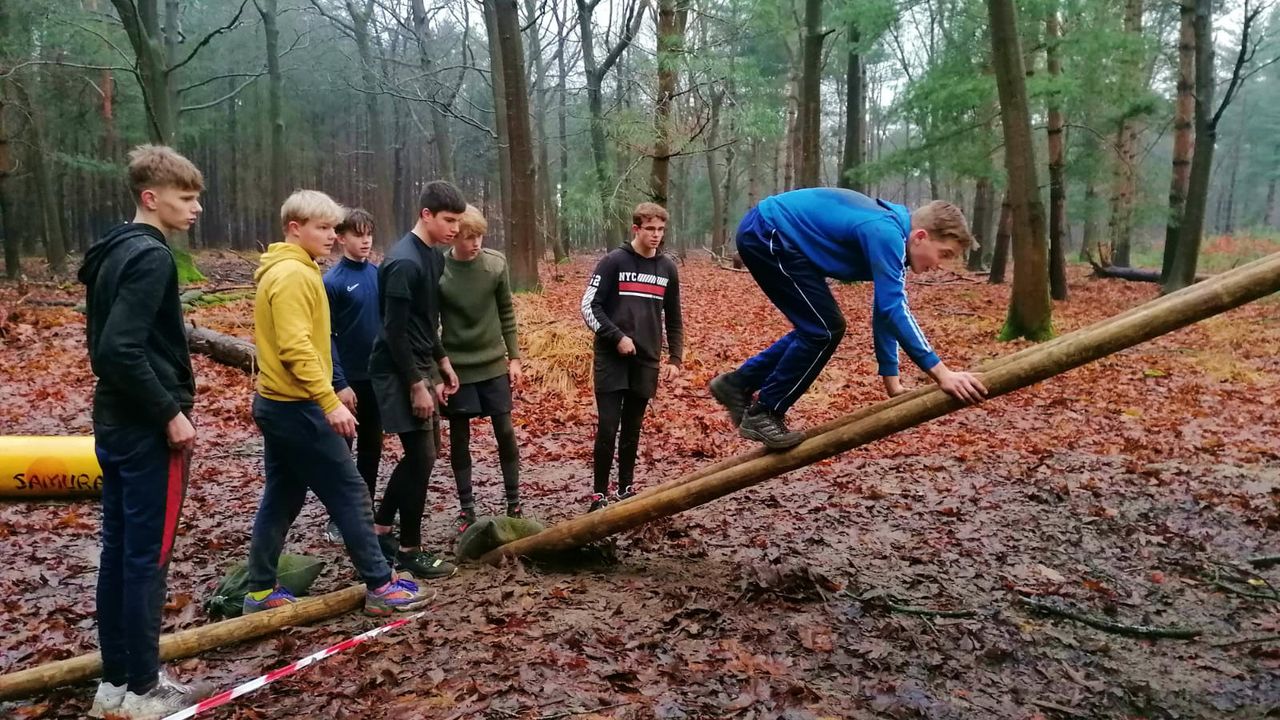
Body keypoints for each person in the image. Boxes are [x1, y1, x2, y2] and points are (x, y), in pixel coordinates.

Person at [241, 190, 433, 618]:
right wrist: (329, 399)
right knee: (349, 490)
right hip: (295, 407)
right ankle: (381, 585)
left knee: (283, 494)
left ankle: (258, 590)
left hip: (280, 403)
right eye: (323, 228)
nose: (332, 235)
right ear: (295, 228)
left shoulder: (297, 269)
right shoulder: (291, 276)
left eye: (333, 227)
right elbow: (296, 347)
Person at [80, 144, 211, 719]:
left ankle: (115, 682)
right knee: (146, 560)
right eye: (186, 199)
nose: (196, 209)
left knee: (120, 554)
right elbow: (118, 349)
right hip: (142, 429)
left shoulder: (111, 250)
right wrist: (169, 412)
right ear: (150, 198)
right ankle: (141, 690)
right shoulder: (150, 257)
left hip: (113, 421)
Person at [709, 187, 988, 451]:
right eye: (944, 254)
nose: (940, 264)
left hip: (777, 235)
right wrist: (942, 373)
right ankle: (765, 412)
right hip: (769, 231)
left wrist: (891, 380)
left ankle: (737, 384)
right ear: (920, 237)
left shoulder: (894, 238)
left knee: (820, 329)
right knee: (824, 330)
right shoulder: (886, 233)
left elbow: (884, 311)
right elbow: (894, 310)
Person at [368, 181, 465, 577]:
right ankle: (409, 549)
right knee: (422, 456)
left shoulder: (434, 257)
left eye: (458, 221)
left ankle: (380, 528)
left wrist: (442, 363)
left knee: (423, 456)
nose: (455, 229)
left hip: (421, 363)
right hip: (395, 368)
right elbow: (393, 331)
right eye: (448, 220)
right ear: (426, 215)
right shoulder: (403, 262)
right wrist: (415, 384)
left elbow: (425, 321)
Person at [580, 202, 683, 512]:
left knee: (633, 427)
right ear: (636, 229)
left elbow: (674, 317)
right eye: (650, 229)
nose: (656, 235)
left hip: (647, 359)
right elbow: (589, 307)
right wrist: (617, 337)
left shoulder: (667, 268)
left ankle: (626, 488)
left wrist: (675, 359)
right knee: (609, 426)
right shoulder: (613, 262)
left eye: (661, 229)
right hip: (612, 359)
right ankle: (599, 493)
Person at [438, 205, 524, 532]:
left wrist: (514, 358)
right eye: (468, 237)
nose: (475, 243)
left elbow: (506, 313)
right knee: (460, 438)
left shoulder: (494, 264)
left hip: (492, 364)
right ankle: (466, 507)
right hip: (457, 368)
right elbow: (431, 326)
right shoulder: (439, 271)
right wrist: (438, 372)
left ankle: (514, 501)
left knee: (505, 430)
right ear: (454, 236)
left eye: (479, 236)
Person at [322, 207, 382, 543]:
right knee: (341, 451)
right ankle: (337, 517)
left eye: (369, 233)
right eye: (358, 234)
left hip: (377, 379)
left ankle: (365, 510)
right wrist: (339, 383)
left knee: (372, 447)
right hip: (346, 383)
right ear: (342, 237)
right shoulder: (332, 282)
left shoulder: (378, 275)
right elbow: (326, 336)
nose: (365, 240)